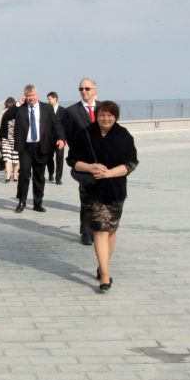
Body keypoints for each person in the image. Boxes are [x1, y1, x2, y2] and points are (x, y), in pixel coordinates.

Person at [66, 101, 138, 291]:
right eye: (102, 115)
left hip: (116, 189)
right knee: (100, 230)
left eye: (109, 115)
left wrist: (110, 173)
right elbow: (72, 160)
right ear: (96, 116)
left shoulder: (124, 136)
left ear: (115, 117)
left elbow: (131, 163)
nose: (105, 118)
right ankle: (105, 275)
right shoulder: (85, 134)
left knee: (111, 230)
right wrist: (90, 167)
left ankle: (102, 265)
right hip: (93, 190)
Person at [13, 84, 65, 213]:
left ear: (37, 95)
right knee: (24, 174)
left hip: (41, 147)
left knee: (39, 176)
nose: (30, 98)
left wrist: (60, 138)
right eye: (28, 96)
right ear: (25, 96)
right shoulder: (20, 109)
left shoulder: (47, 108)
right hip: (25, 147)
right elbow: (7, 116)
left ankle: (37, 203)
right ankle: (22, 201)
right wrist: (17, 104)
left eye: (32, 95)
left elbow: (56, 124)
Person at [64, 77, 99, 245]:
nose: (83, 91)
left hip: (104, 161)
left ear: (94, 90)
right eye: (81, 89)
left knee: (101, 198)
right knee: (86, 198)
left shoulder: (104, 108)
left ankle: (98, 229)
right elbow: (70, 136)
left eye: (87, 88)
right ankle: (86, 231)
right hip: (84, 162)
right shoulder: (72, 111)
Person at [0, 97, 20, 182]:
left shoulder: (18, 111)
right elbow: (1, 127)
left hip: (16, 138)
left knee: (15, 158)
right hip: (6, 138)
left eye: (11, 103)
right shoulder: (4, 112)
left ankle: (15, 174)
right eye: (8, 103)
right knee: (7, 157)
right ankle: (8, 175)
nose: (9, 104)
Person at [46, 92, 66, 185]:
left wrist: (64, 139)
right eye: (48, 99)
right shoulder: (46, 110)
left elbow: (66, 126)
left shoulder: (63, 111)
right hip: (49, 139)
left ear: (55, 98)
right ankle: (51, 173)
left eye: (49, 99)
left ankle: (58, 178)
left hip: (60, 139)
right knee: (49, 157)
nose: (48, 101)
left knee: (59, 158)